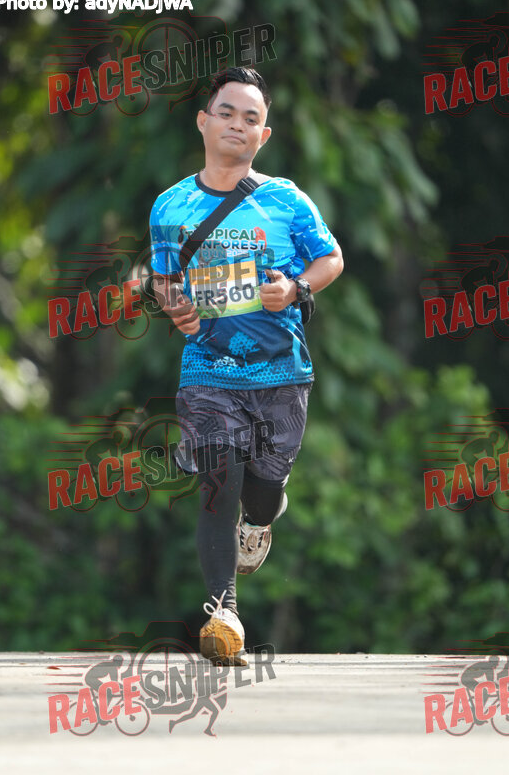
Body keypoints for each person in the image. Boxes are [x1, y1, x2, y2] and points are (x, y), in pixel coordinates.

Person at [150, 66, 343, 665]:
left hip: (280, 371)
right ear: (203, 121)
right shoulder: (170, 205)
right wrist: (175, 306)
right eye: (227, 112)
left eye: (250, 118)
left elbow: (331, 258)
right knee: (218, 482)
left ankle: (261, 520)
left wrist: (296, 289)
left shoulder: (286, 199)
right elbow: (165, 281)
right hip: (207, 369)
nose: (237, 124)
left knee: (261, 491)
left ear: (264, 135)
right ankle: (223, 613)